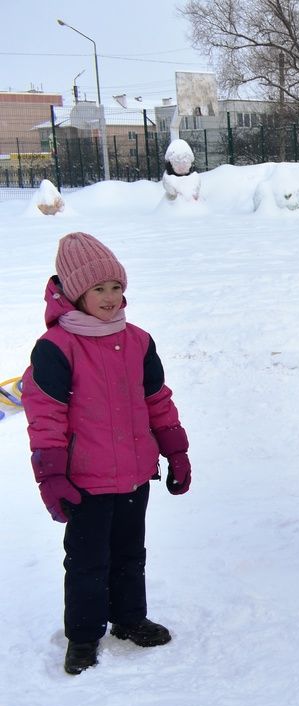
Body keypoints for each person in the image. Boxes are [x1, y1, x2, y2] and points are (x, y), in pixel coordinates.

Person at [22, 233, 192, 675]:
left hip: (135, 472)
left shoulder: (137, 340)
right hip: (85, 479)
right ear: (75, 293)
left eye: (116, 287)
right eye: (98, 289)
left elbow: (157, 399)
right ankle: (82, 637)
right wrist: (52, 477)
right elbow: (46, 419)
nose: (111, 298)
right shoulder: (56, 348)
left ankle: (130, 619)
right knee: (86, 562)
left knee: (130, 552)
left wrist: (176, 451)